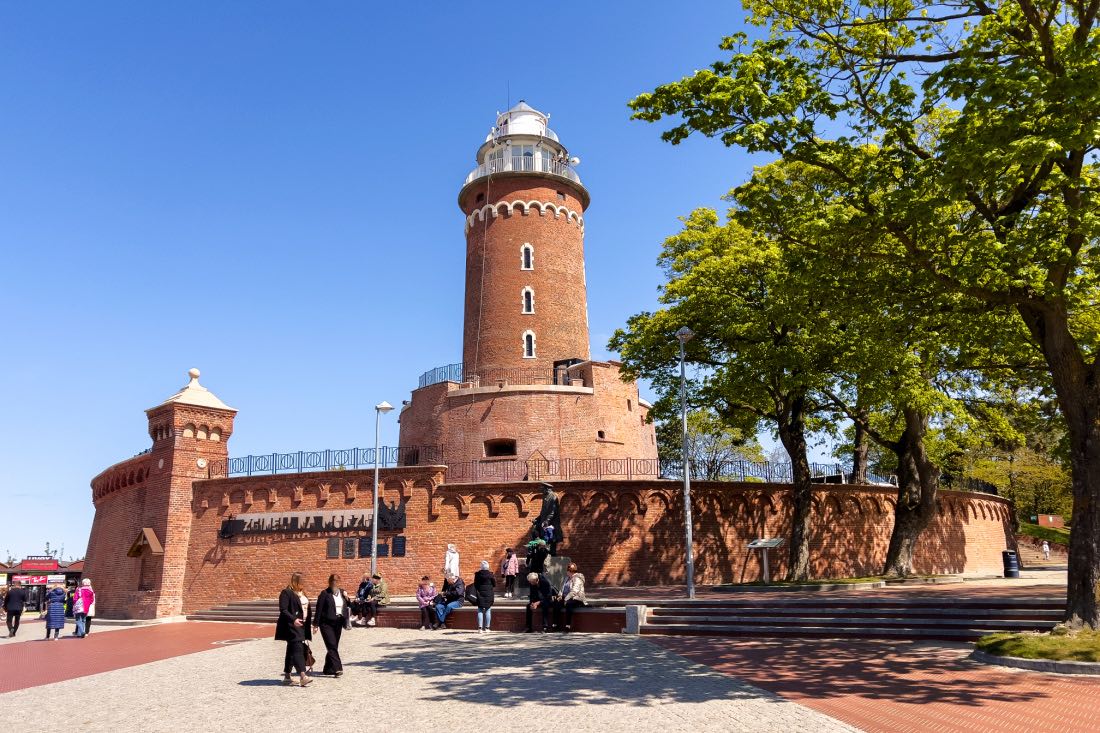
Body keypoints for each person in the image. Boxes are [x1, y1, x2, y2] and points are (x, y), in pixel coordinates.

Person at [274, 572, 313, 687]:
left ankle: (287, 676)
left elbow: (306, 608)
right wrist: (293, 619)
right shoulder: (286, 593)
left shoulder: (302, 593)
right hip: (291, 626)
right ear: (296, 581)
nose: (304, 583)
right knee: (298, 648)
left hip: (302, 625)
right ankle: (302, 675)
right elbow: (283, 610)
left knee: (291, 650)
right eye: (302, 581)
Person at [314, 574, 349, 677]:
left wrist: (347, 598)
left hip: (338, 622)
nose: (335, 583)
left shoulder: (342, 593)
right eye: (333, 581)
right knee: (332, 645)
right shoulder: (324, 594)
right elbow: (319, 609)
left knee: (333, 646)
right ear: (329, 582)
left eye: (337, 581)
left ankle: (327, 669)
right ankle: (338, 668)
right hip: (326, 624)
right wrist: (315, 624)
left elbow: (349, 606)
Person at [553, 563, 587, 632]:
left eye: (568, 570)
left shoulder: (577, 579)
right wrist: (560, 595)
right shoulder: (567, 578)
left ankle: (568, 625)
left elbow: (574, 591)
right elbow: (562, 588)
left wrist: (565, 599)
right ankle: (555, 624)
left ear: (570, 571)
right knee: (557, 603)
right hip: (566, 597)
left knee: (569, 604)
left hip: (576, 598)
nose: (566, 572)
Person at [473, 560, 496, 632]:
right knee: (488, 610)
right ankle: (487, 628)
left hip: (480, 594)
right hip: (489, 594)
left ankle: (480, 628)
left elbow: (475, 584)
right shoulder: (491, 574)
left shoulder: (477, 575)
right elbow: (494, 584)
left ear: (481, 567)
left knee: (480, 610)